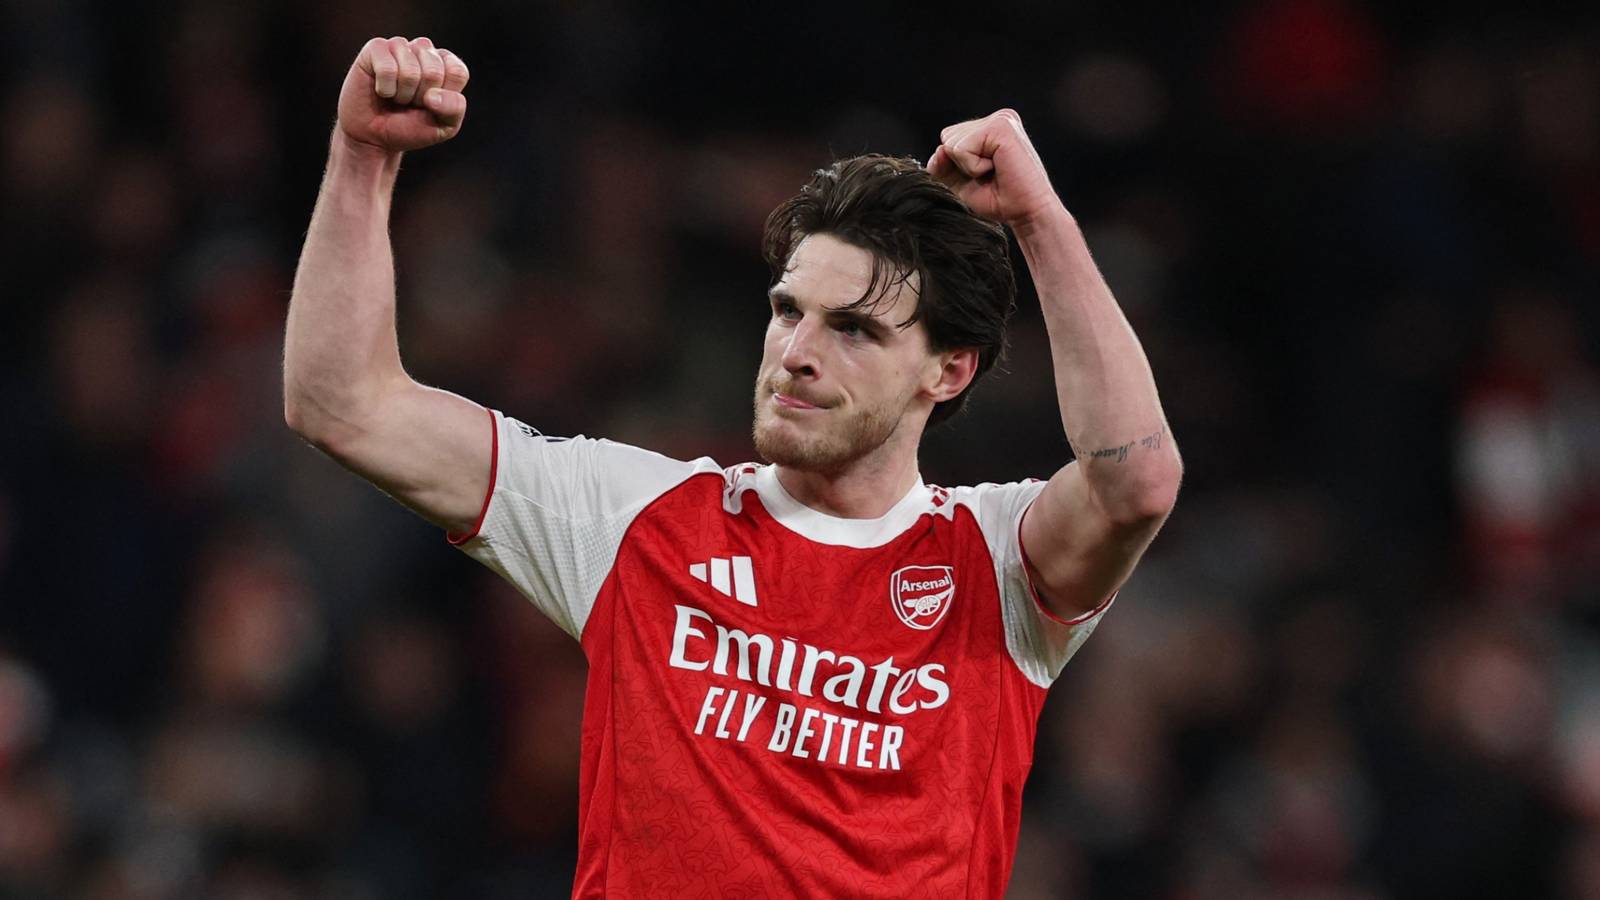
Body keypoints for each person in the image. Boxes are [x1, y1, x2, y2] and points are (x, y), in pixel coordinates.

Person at [284, 35, 1182, 899]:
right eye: (789, 310)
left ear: (947, 372)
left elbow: (1136, 480)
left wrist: (1039, 221)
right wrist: (362, 158)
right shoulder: (634, 519)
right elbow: (343, 405)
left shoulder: (995, 561)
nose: (797, 352)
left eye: (853, 329)